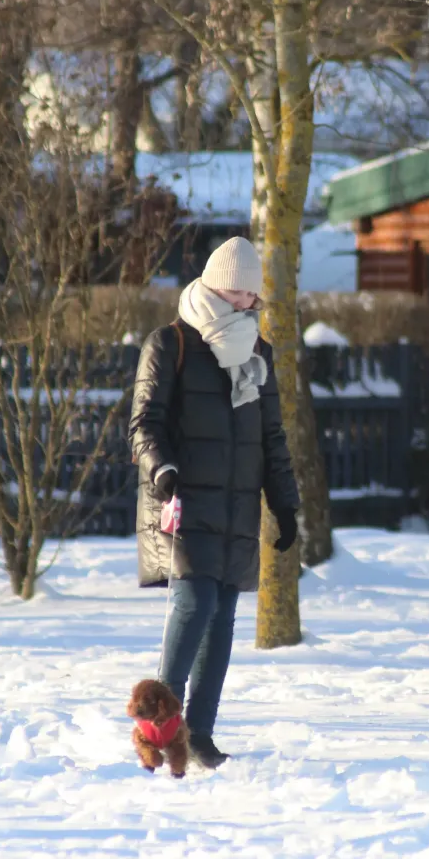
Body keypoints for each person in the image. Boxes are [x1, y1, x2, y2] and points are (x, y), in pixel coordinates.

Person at [129, 236, 299, 769]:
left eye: (253, 296)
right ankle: (159, 725)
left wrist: (286, 504)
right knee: (194, 603)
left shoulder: (257, 353)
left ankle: (198, 732)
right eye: (240, 293)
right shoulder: (170, 343)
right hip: (182, 500)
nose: (249, 303)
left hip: (238, 506)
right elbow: (144, 424)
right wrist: (162, 469)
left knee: (222, 614)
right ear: (217, 288)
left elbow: (271, 438)